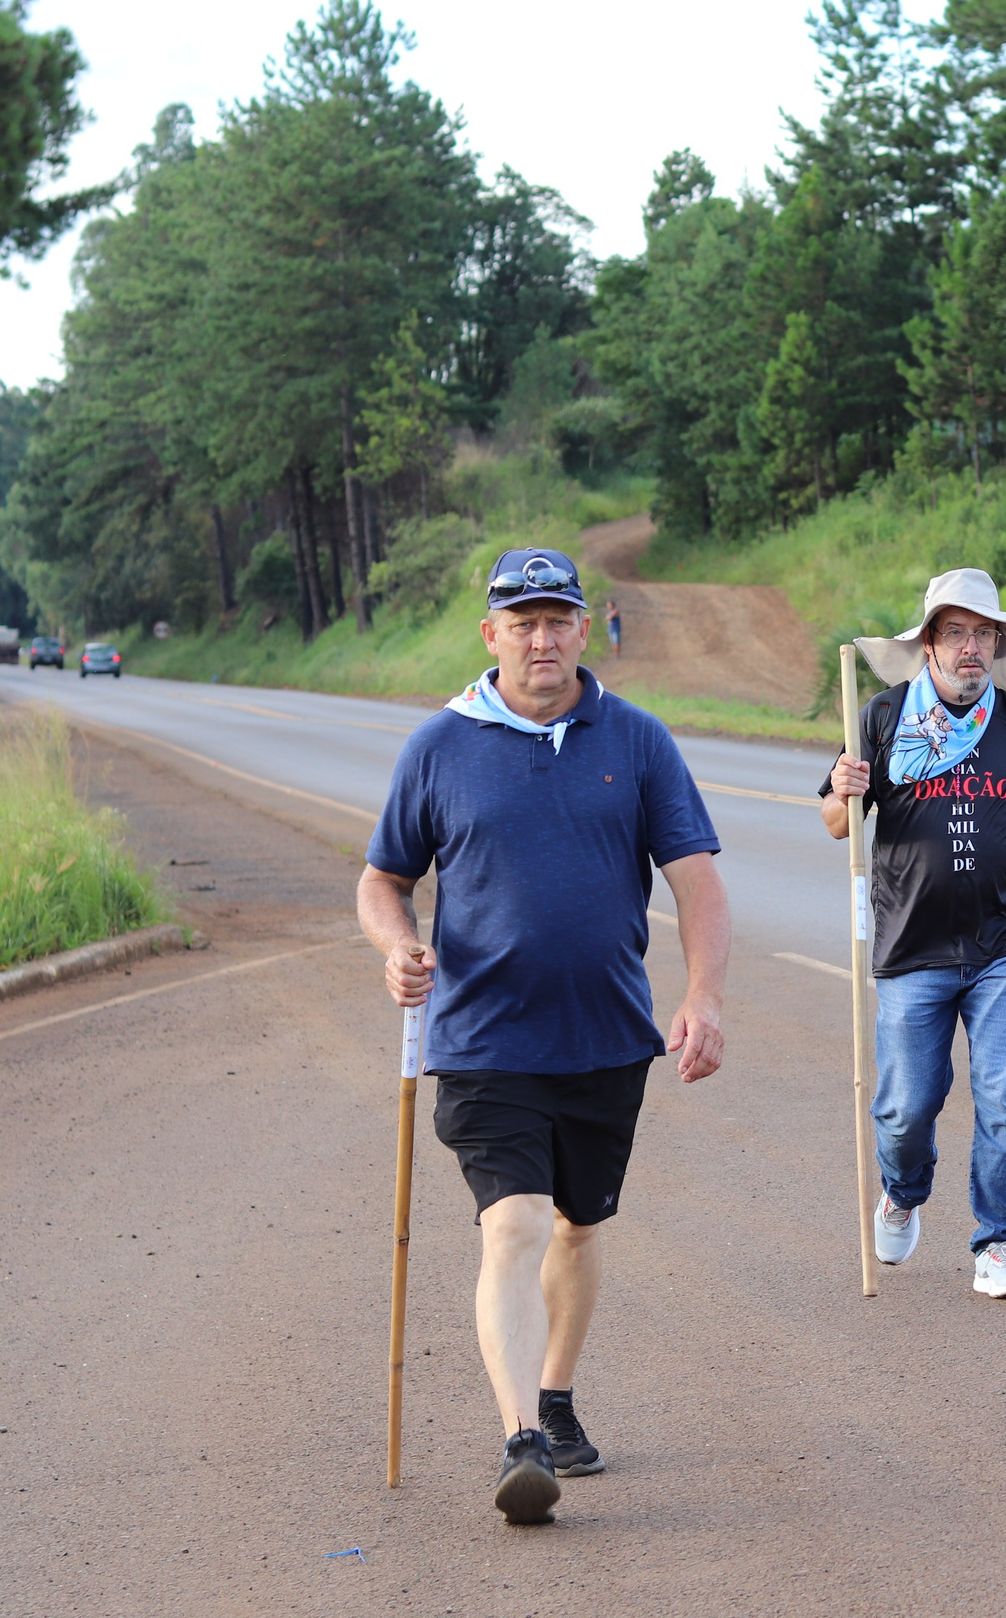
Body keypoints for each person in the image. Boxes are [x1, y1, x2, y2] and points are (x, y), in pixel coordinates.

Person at [357, 547, 732, 1525]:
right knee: (514, 1223)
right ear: (491, 636)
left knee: (579, 1223)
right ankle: (521, 1437)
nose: (540, 636)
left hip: (606, 1034)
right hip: (483, 1038)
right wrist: (397, 944)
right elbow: (382, 878)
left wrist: (703, 995)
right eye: (520, 621)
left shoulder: (638, 741)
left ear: (582, 628)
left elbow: (695, 876)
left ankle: (556, 1395)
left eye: (557, 617)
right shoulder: (441, 746)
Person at [818, 567, 1006, 1301]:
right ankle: (903, 1191)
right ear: (930, 644)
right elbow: (837, 822)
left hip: (1005, 943)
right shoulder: (880, 718)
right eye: (957, 632)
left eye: (985, 634)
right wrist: (846, 792)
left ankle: (1000, 1243)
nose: (972, 646)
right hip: (912, 946)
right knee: (909, 1103)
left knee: (1004, 1093)